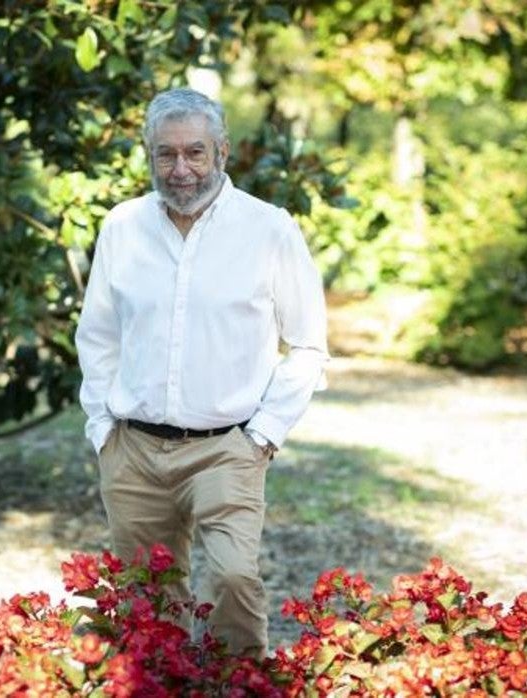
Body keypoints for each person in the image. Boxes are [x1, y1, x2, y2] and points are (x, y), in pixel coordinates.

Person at [74, 87, 328, 658]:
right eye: (166, 154)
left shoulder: (270, 229)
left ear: (222, 152)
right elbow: (97, 335)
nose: (180, 168)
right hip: (133, 450)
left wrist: (262, 436)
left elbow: (309, 344)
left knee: (235, 580)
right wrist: (102, 428)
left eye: (195, 152)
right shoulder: (122, 226)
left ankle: (240, 686)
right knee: (145, 602)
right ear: (149, 156)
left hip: (226, 448)